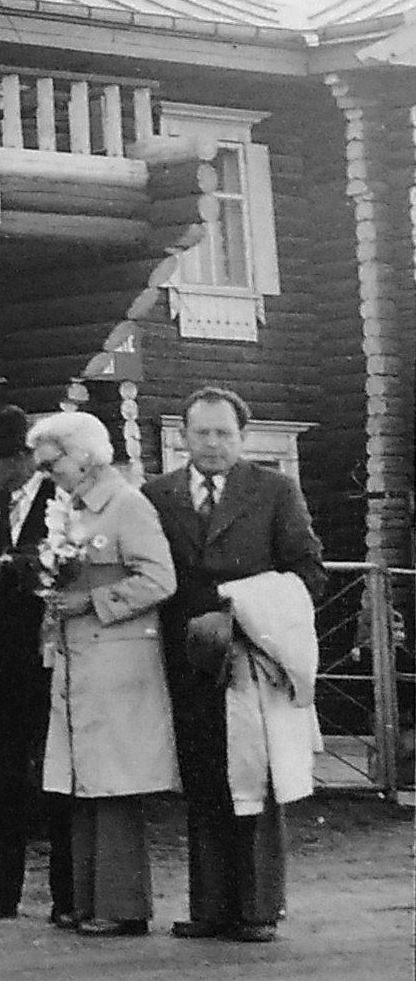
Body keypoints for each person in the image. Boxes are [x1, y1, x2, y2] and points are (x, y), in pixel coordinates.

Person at [142, 385, 326, 943]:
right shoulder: (158, 495)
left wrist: (237, 608)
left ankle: (258, 909)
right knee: (202, 778)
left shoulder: (273, 490)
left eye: (225, 433)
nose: (214, 443)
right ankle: (210, 908)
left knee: (254, 780)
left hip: (250, 656)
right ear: (183, 437)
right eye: (203, 432)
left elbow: (308, 572)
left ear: (242, 438)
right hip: (186, 659)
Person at [33, 411, 179, 936]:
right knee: (82, 780)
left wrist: (93, 601)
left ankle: (122, 904)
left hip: (118, 659)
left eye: (55, 463)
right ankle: (87, 897)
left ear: (87, 456)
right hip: (79, 660)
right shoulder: (71, 507)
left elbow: (160, 579)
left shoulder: (127, 505)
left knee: (114, 781)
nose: (49, 474)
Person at [0, 404, 73, 923]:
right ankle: (0, 893)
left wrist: (15, 568)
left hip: (50, 655)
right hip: (0, 660)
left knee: (56, 777)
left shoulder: (62, 496)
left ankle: (68, 895)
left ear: (24, 457)